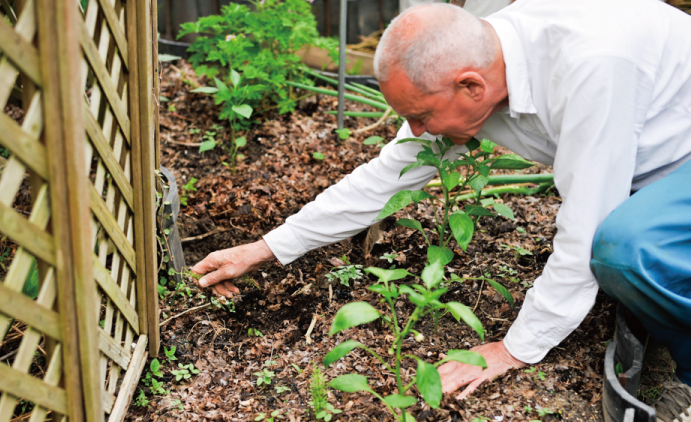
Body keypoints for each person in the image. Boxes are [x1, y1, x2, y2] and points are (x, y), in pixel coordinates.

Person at [192, 0, 691, 418]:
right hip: (643, 160)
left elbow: (587, 227)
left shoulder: (592, 66)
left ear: (471, 86)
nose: (418, 131)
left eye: (420, 116)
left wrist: (512, 349)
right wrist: (266, 249)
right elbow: (389, 177)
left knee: (623, 250)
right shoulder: (480, 69)